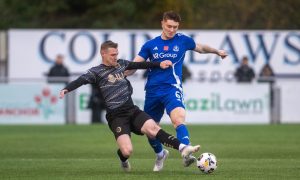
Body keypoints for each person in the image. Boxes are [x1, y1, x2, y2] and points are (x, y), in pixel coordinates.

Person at [59, 40, 200, 172]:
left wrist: (159, 64)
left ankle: (183, 148)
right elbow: (80, 80)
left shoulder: (121, 64)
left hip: (131, 110)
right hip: (116, 116)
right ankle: (123, 160)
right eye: (113, 55)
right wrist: (66, 89)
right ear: (103, 53)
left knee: (153, 129)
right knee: (127, 151)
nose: (115, 57)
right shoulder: (95, 72)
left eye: (117, 54)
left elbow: (140, 64)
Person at [126, 10, 228, 171]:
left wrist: (217, 51)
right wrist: (121, 73)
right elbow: (135, 65)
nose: (172, 30)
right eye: (169, 26)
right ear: (162, 23)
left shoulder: (183, 41)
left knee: (179, 118)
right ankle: (160, 154)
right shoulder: (150, 45)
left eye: (175, 27)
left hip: (172, 88)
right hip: (152, 91)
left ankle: (186, 152)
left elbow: (201, 48)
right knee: (150, 130)